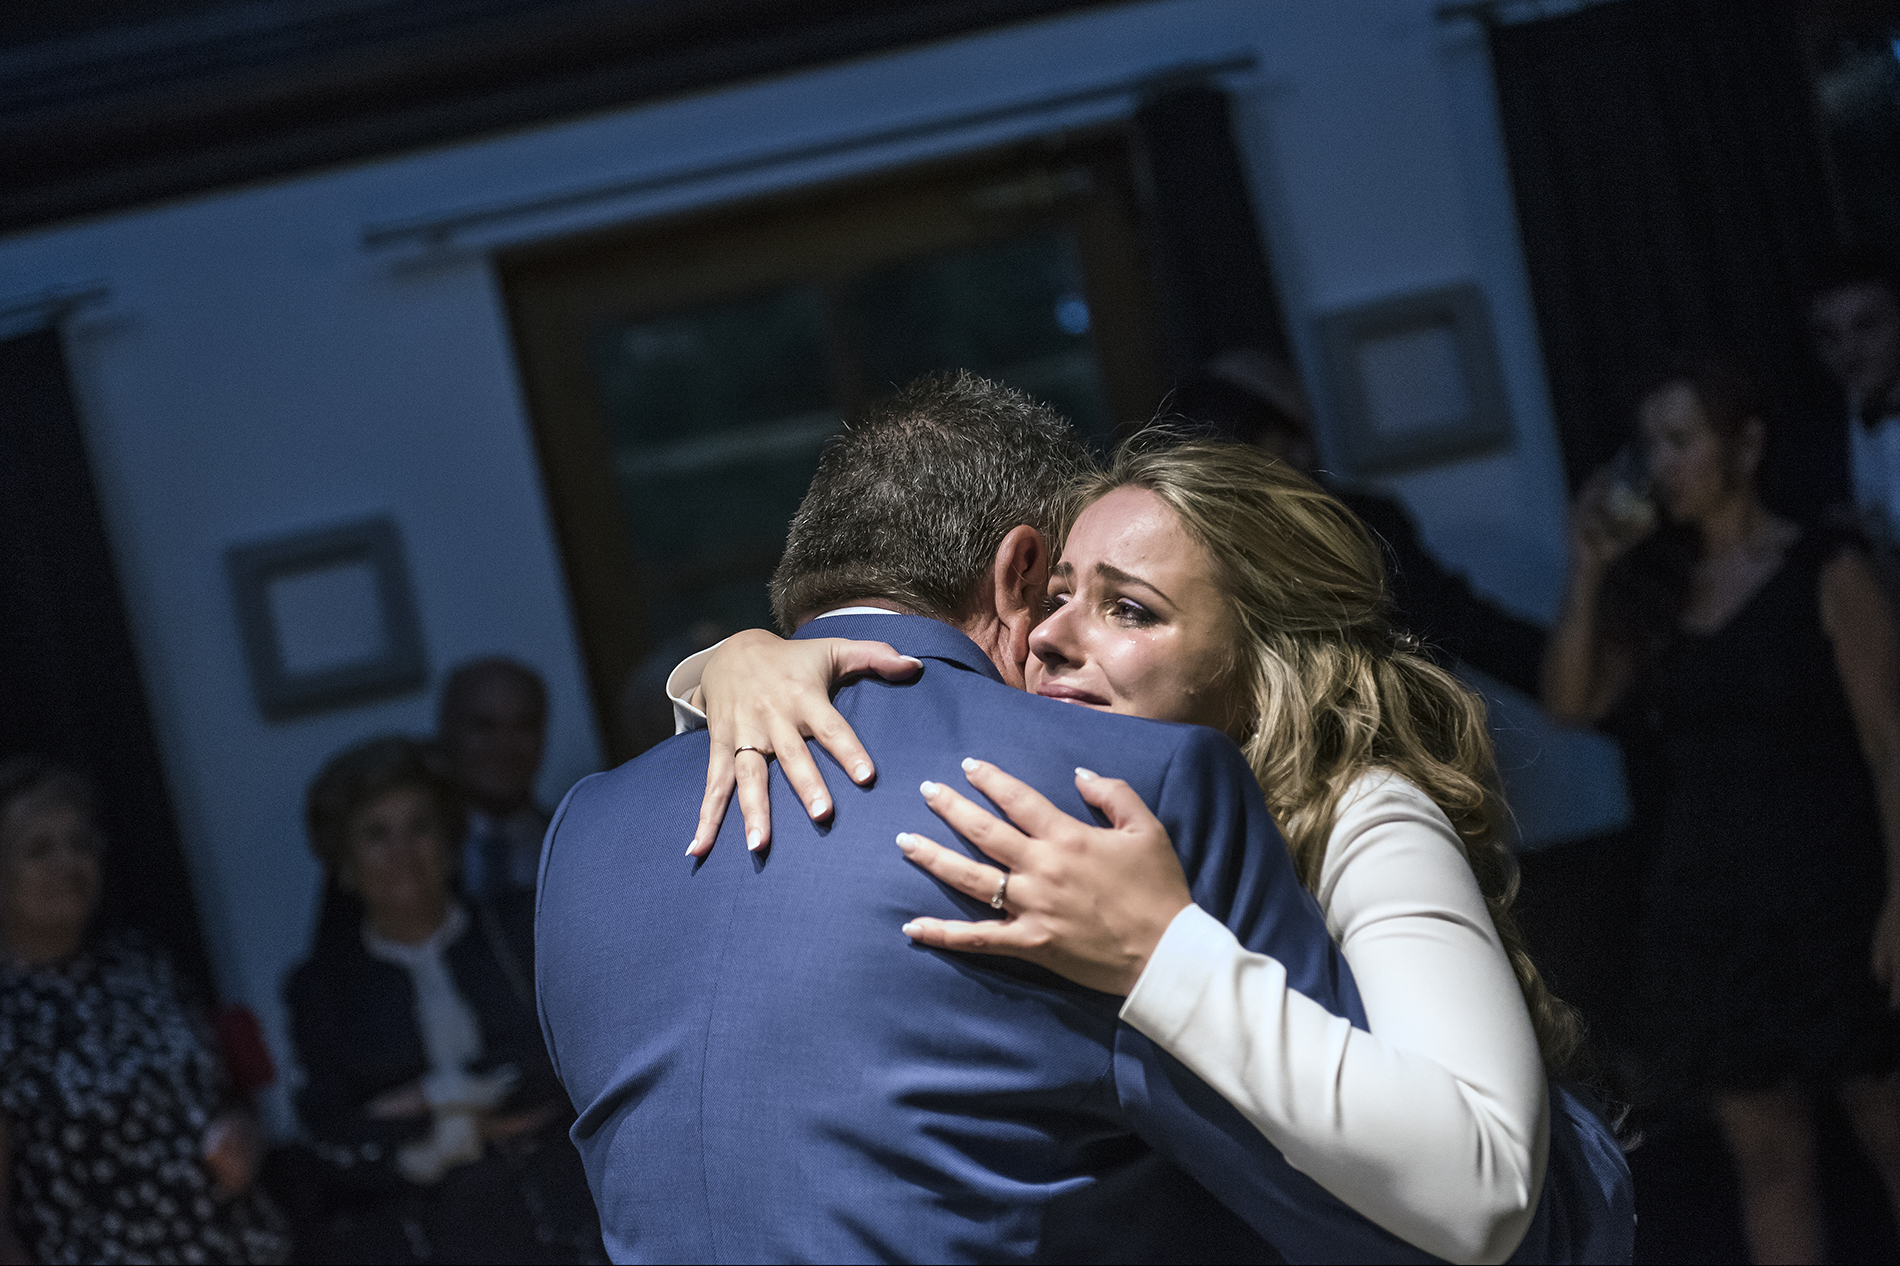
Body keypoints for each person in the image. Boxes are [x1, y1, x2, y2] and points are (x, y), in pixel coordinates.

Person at [537, 373, 1428, 1263]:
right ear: (1020, 573)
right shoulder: (1125, 788)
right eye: (1061, 597)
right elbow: (1360, 1206)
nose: (1057, 642)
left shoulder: (583, 834)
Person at [673, 438, 1632, 1264]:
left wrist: (1163, 951)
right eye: (1054, 596)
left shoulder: (1363, 816)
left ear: (1262, 668)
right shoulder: (1056, 796)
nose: (1048, 637)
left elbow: (1490, 1185)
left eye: (1129, 610)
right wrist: (734, 666)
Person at [1543, 358, 1900, 1263]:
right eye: (1649, 445)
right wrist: (1588, 569)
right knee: (1770, 1163)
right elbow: (1574, 702)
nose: (1662, 464)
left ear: (1744, 445)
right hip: (1712, 902)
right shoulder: (1662, 589)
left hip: (1838, 886)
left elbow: (1891, 744)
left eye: (1681, 439)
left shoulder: (1825, 566)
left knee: (1890, 1130)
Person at [284, 737, 599, 1264]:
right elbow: (328, 1141)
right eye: (377, 836)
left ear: (451, 842)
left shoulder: (520, 933)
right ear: (345, 863)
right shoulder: (321, 990)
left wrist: (413, 1102)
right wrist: (440, 1101)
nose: (403, 854)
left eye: (420, 828)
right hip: (422, 1241)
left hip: (558, 1223)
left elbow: (571, 1058)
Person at [0, 756, 287, 1265]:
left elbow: (229, 1097)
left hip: (233, 1245)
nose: (68, 864)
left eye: (80, 844)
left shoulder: (142, 965)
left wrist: (243, 1132)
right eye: (39, 850)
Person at [1170, 347, 1548, 696]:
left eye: (1301, 433)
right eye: (1282, 435)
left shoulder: (1366, 524)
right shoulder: (1187, 550)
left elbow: (1466, 629)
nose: (1301, 453)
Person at [439, 658, 550, 900]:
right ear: (448, 734)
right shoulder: (416, 854)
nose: (504, 746)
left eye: (523, 726)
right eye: (483, 727)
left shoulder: (576, 843)